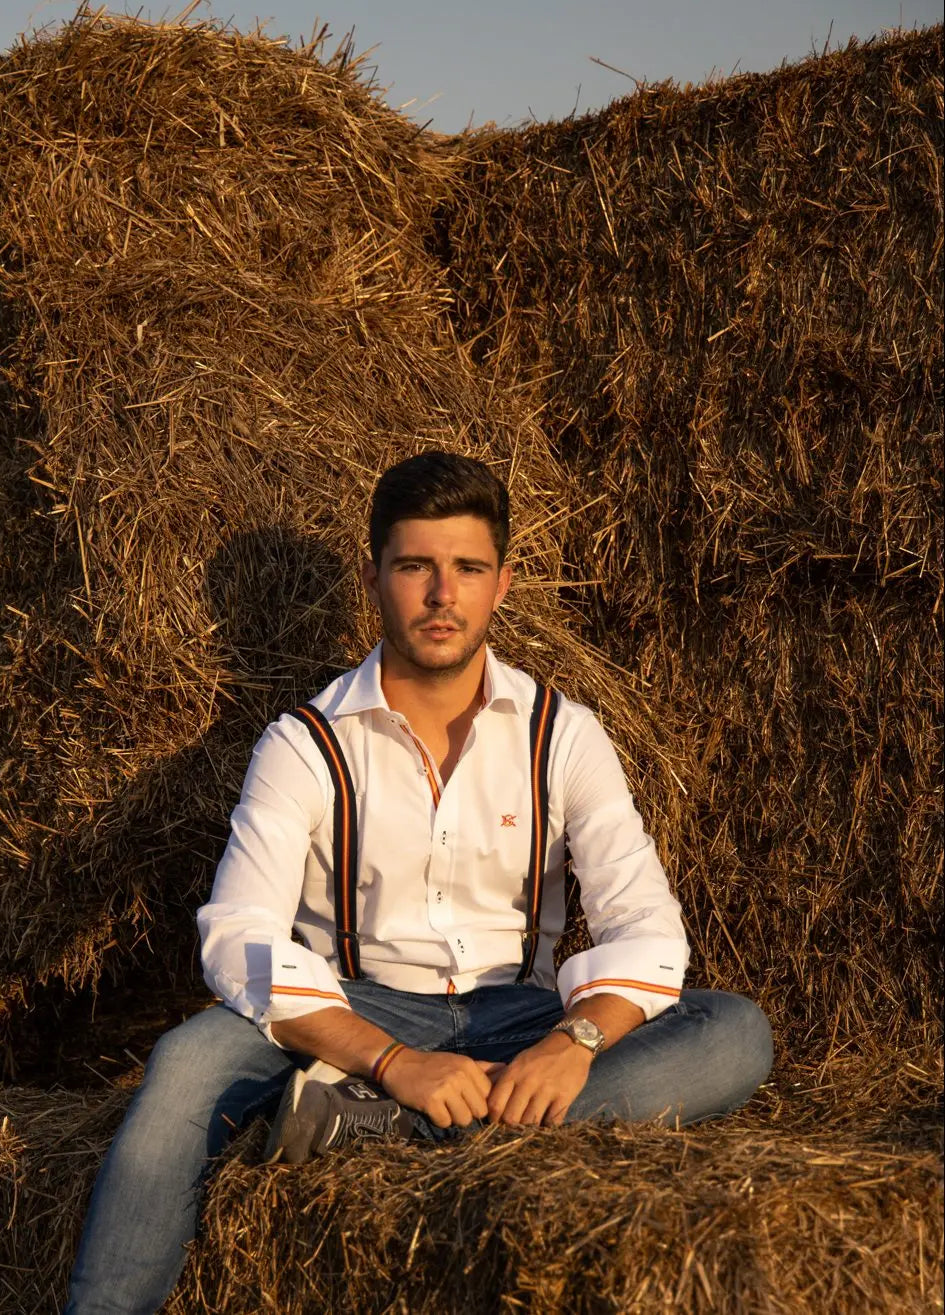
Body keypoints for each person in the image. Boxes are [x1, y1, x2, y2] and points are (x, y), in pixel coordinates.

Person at [65, 451, 773, 1315]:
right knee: (185, 1061)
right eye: (415, 567)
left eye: (467, 568)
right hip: (357, 1011)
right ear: (374, 578)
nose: (443, 595)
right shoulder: (306, 743)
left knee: (733, 1030)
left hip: (522, 1012)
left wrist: (571, 1044)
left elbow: (646, 927)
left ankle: (373, 1125)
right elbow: (239, 935)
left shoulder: (563, 735)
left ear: (501, 583)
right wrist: (394, 1059)